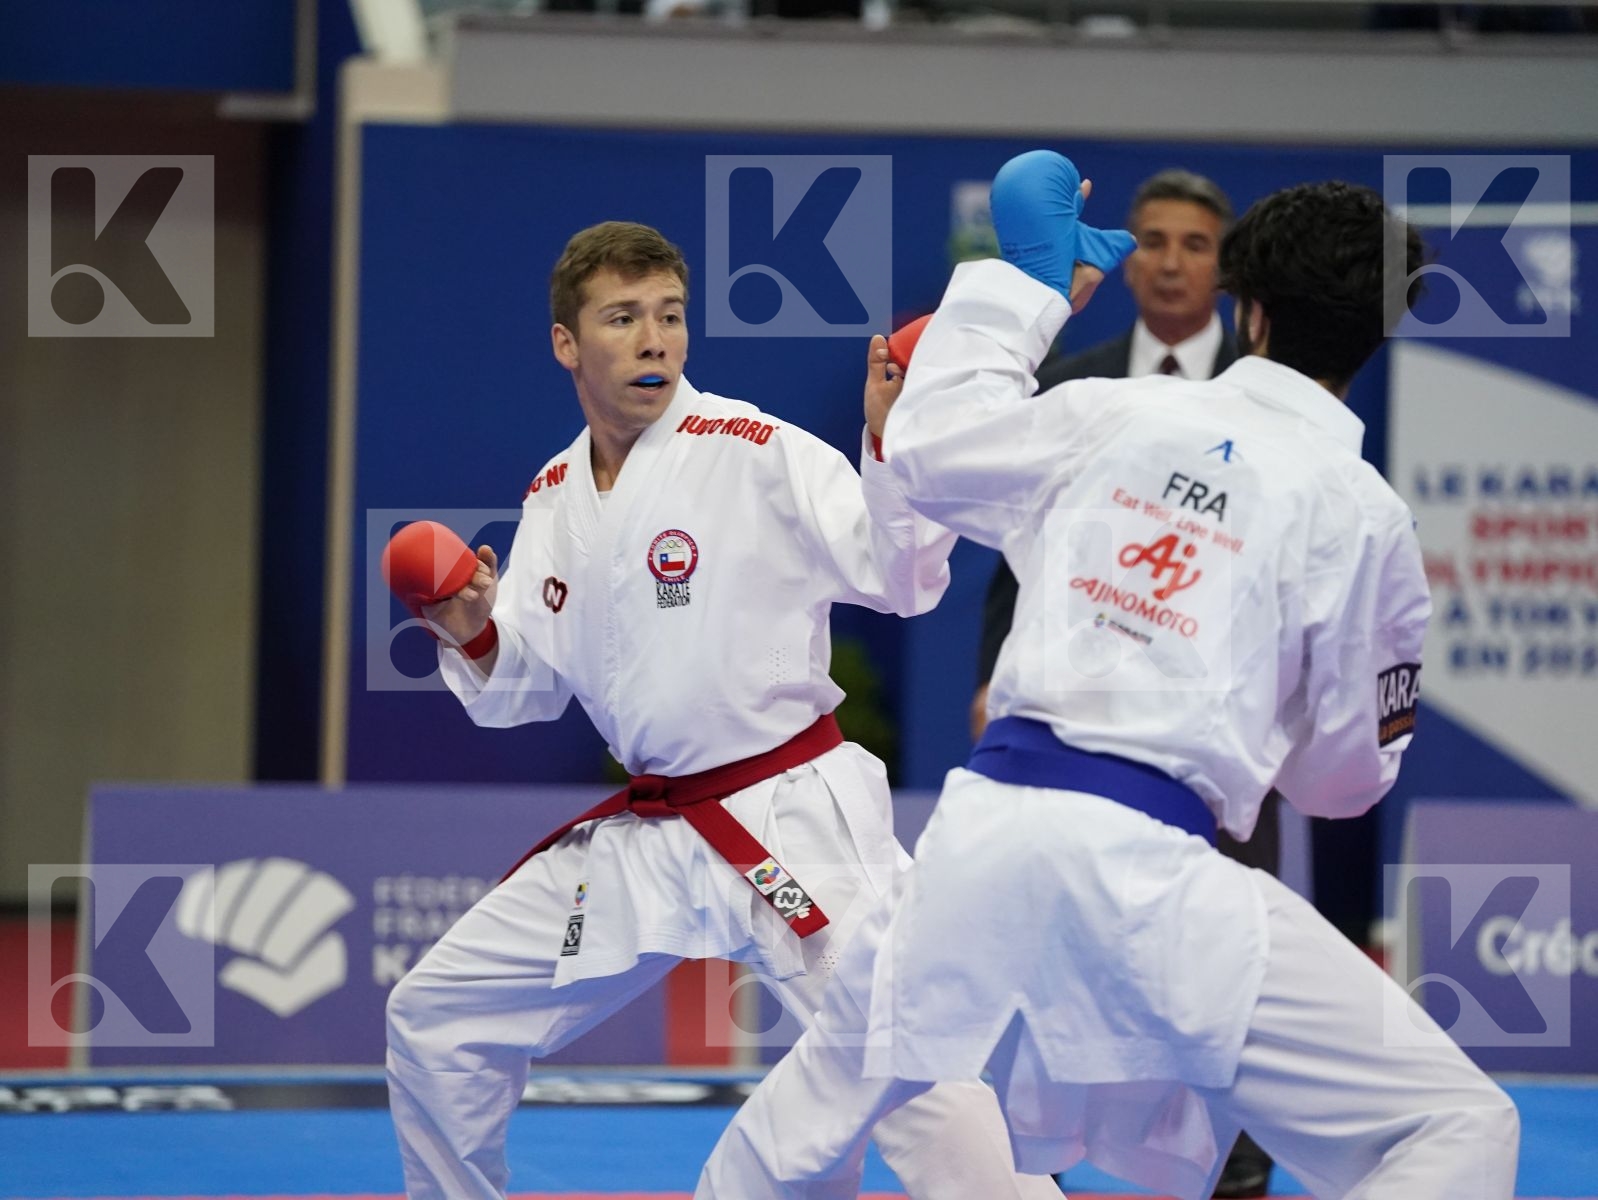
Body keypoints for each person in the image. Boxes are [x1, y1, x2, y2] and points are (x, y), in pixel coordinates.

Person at [694, 155, 1520, 1199]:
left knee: (800, 1130)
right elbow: (1337, 788)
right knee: (1455, 1124)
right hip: (1159, 882)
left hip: (977, 846)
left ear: (1249, 309)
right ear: (1377, 332)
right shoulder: (1362, 518)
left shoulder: (1111, 414)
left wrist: (1027, 286)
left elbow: (930, 449)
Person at [382, 220, 1062, 1200]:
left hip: (791, 812)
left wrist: (888, 443)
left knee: (910, 1061)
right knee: (437, 1014)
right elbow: (525, 687)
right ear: (566, 344)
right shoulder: (553, 497)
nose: (654, 338)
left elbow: (898, 577)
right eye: (622, 319)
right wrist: (473, 626)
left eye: (668, 315)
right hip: (657, 826)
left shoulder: (752, 450)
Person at [970, 169, 1275, 1197]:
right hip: (1078, 729)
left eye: (1194, 242)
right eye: (1150, 240)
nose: (1171, 260)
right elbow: (1015, 549)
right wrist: (988, 678)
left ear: (1225, 267)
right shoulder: (1075, 382)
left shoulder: (1276, 389)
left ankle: (1232, 1177)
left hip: (1218, 735)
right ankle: (1040, 1175)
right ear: (1126, 254)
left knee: (1227, 971)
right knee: (1060, 955)